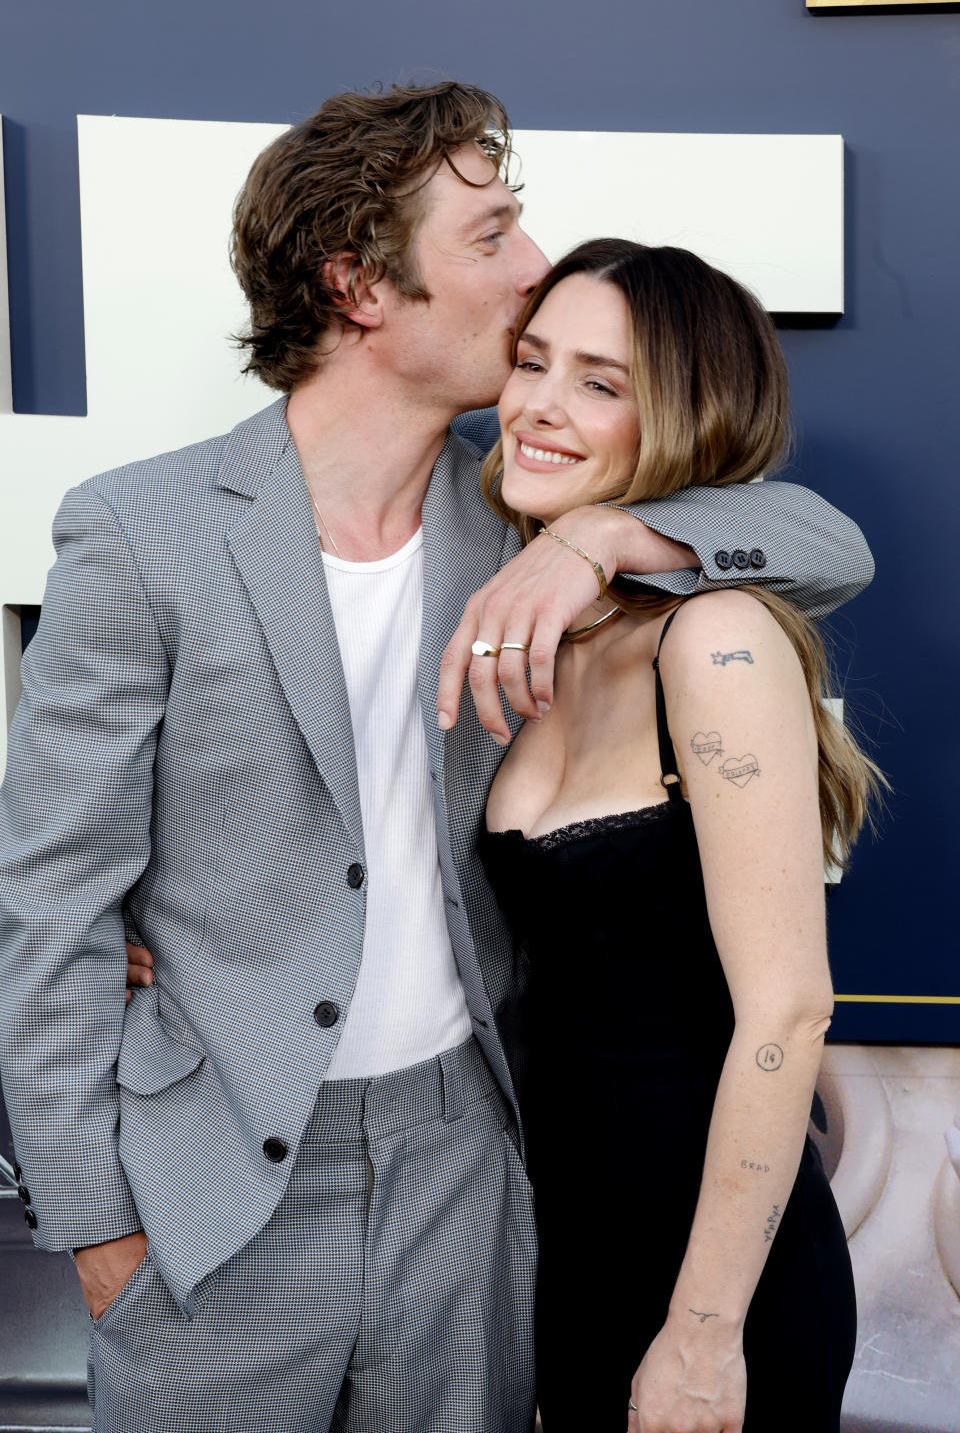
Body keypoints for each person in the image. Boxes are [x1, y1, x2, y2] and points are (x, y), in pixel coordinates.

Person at [0, 82, 872, 1433]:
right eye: (491, 238)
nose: (532, 278)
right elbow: (50, 902)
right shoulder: (143, 530)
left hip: (467, 1175)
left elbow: (825, 541)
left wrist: (609, 540)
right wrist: (97, 1227)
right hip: (217, 1196)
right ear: (359, 285)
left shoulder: (520, 520)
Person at [474, 239, 879, 1432]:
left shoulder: (714, 640)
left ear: (685, 417)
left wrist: (702, 1336)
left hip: (711, 1273)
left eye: (599, 383)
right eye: (531, 361)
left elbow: (790, 1010)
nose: (540, 406)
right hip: (556, 1229)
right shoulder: (516, 598)